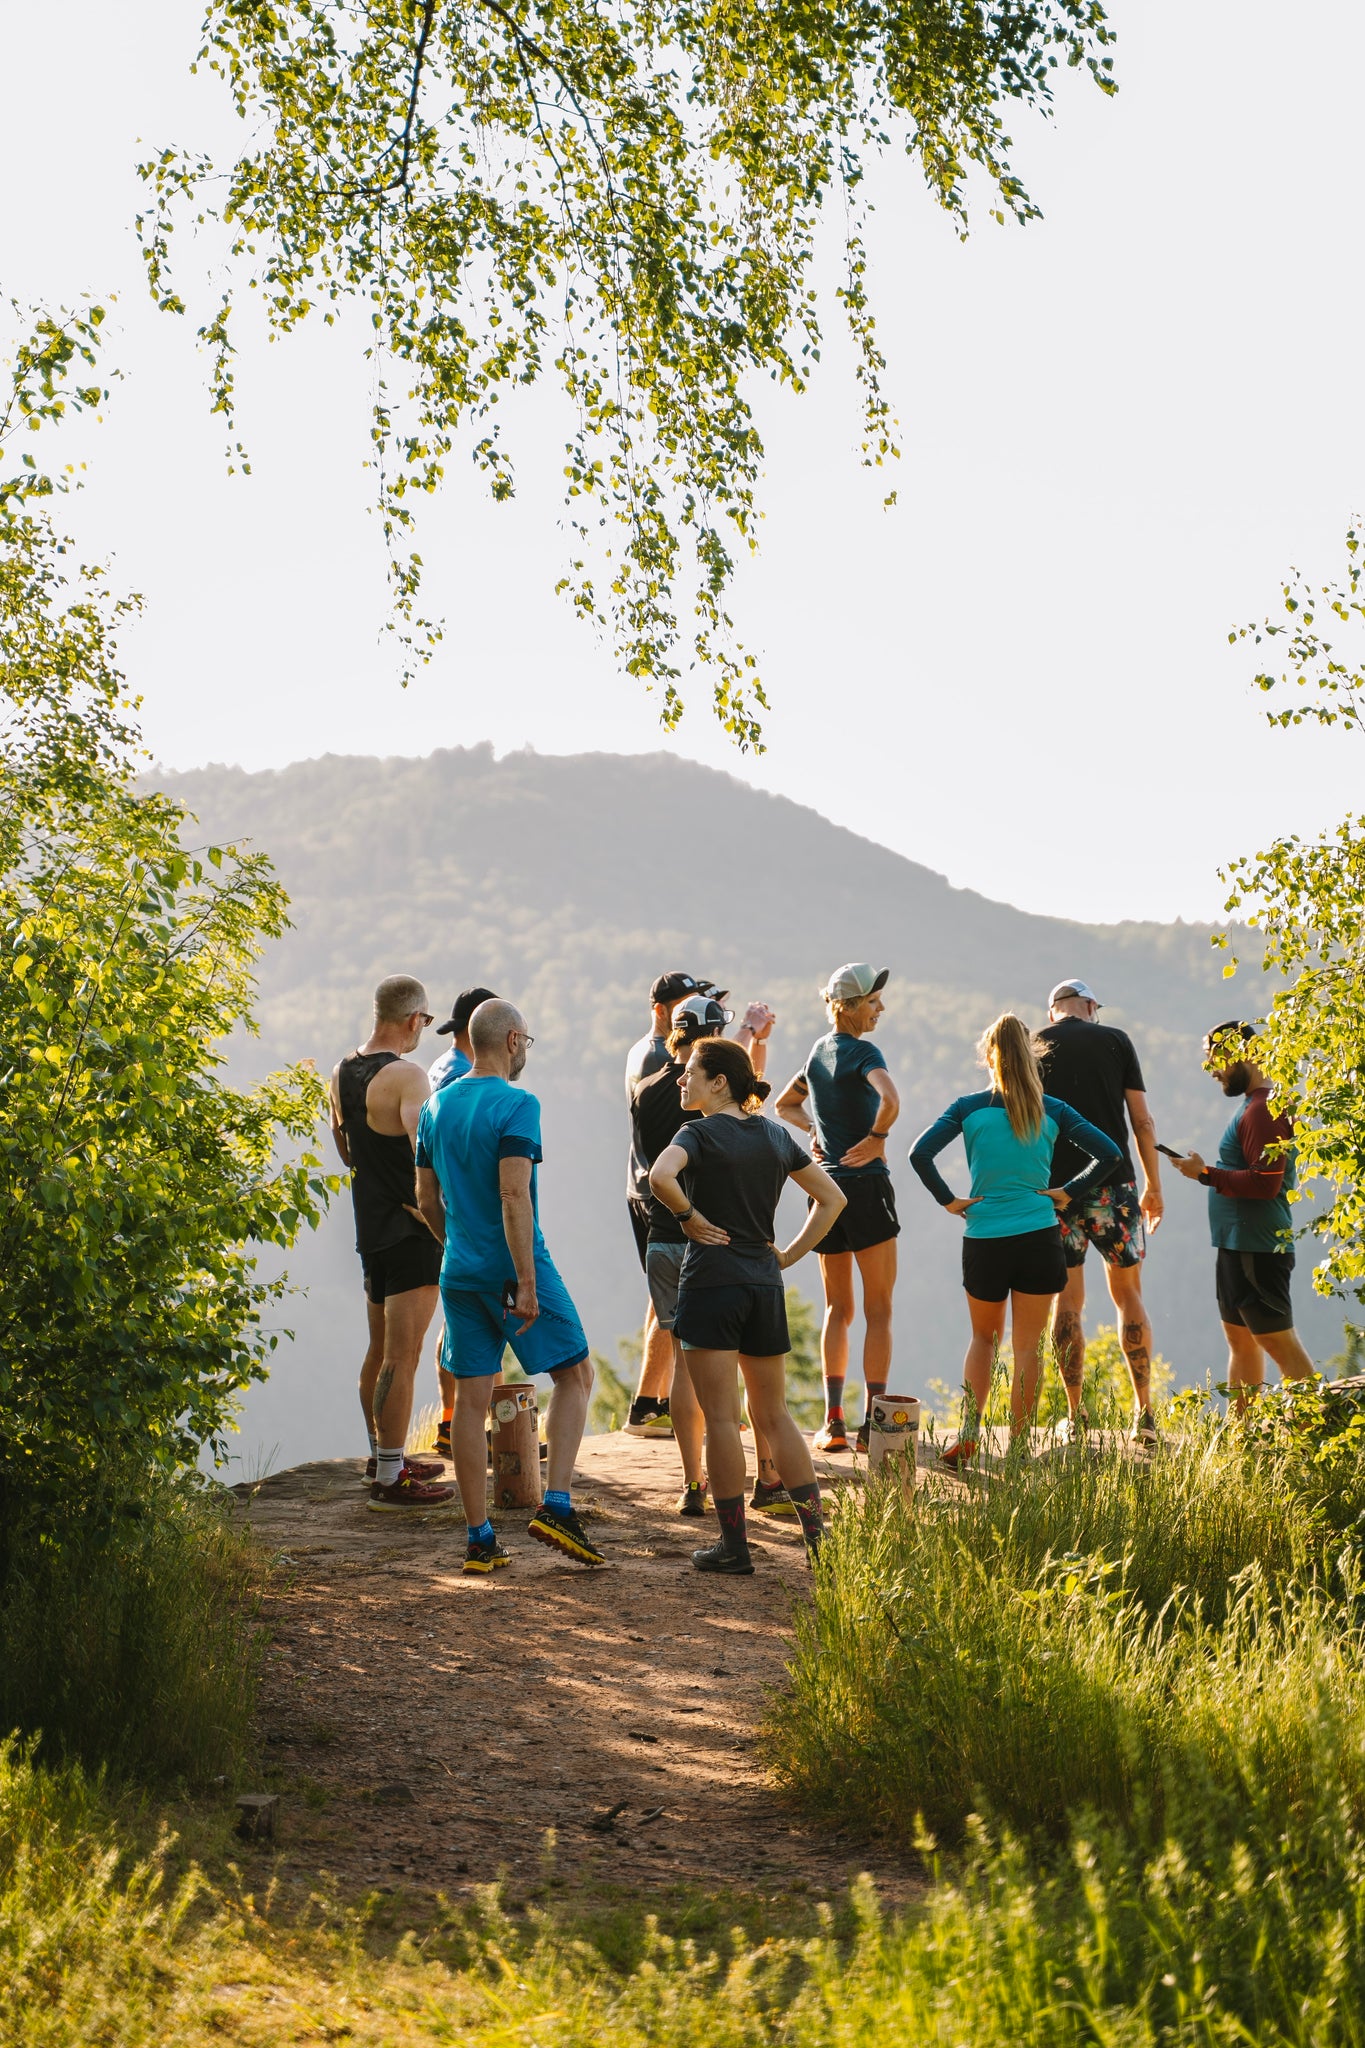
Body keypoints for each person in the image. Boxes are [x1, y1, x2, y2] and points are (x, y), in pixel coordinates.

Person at [415, 998, 604, 1572]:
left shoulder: (435, 1106)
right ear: (515, 1041)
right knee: (576, 1375)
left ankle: (479, 1538)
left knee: (470, 1405)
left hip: (458, 1269)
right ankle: (557, 1505)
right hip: (514, 1265)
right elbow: (513, 1194)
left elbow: (426, 1198)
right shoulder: (519, 1104)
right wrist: (525, 1279)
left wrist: (457, 1247)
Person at [649, 1037, 847, 1575]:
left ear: (720, 1082)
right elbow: (833, 1199)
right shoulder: (776, 1135)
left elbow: (658, 1177)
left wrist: (688, 1217)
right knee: (774, 1414)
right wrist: (787, 1256)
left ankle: (734, 1547)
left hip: (711, 1282)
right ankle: (817, 1539)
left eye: (690, 1071)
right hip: (764, 1284)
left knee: (721, 1419)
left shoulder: (696, 1132)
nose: (681, 1079)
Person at [909, 1014, 1123, 1467]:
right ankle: (1021, 1447)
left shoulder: (967, 1107)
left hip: (984, 1236)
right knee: (1028, 1347)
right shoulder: (1054, 1109)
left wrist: (949, 1200)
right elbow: (1110, 1153)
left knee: (983, 1340)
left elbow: (919, 1153)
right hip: (1039, 1235)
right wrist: (1069, 1191)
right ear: (1030, 1056)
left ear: (989, 1056)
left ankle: (969, 1432)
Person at [631, 994, 793, 1520]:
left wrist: (679, 1217)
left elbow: (655, 1173)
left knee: (685, 1362)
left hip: (664, 1236)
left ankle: (693, 1483)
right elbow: (734, 1100)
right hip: (727, 1247)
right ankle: (769, 1477)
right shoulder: (714, 1109)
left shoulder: (647, 1089)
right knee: (759, 1391)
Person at [330, 975, 454, 1511]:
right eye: (426, 1022)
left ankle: (381, 1458)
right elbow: (422, 1154)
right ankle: (390, 1479)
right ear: (412, 1020)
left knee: (380, 1349)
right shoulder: (408, 1075)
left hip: (371, 1227)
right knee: (403, 1356)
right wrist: (439, 1218)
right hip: (411, 1231)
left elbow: (345, 1147)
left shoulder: (343, 1070)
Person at [775, 964, 900, 1455]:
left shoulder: (817, 1051)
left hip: (825, 1190)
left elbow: (784, 1105)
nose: (880, 1008)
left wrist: (814, 1132)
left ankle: (833, 1423)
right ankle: (874, 1423)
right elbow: (891, 1099)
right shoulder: (864, 1051)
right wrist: (876, 1138)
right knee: (880, 1309)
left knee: (837, 1308)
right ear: (848, 1006)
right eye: (873, 1001)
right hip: (866, 1188)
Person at [1034, 979, 1164, 1446]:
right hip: (1115, 1186)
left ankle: (1074, 1416)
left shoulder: (1034, 1044)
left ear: (1053, 1013)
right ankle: (1144, 1415)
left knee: (1067, 1301)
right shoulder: (1115, 1040)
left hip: (1056, 1191)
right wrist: (1153, 1185)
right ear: (1091, 1007)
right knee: (1128, 1294)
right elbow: (1142, 1120)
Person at [1173, 1021, 1315, 1407]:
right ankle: (1244, 1440)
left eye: (1215, 1058)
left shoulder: (1263, 1109)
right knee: (1241, 1339)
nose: (1212, 1069)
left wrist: (1205, 1173)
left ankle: (1316, 1432)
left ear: (1242, 1053)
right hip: (1236, 1243)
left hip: (1258, 1244)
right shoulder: (1253, 1106)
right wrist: (1205, 1173)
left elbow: (1266, 1183)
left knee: (1276, 1340)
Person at [623, 971, 701, 1437]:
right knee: (673, 1300)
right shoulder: (662, 1060)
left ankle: (653, 1402)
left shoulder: (642, 1052)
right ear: (661, 1010)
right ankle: (652, 1404)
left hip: (643, 1185)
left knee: (663, 1298)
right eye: (684, 1006)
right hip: (662, 1192)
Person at [426, 986, 498, 1454]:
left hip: (445, 1208)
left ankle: (454, 1422)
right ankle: (481, 1428)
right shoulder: (460, 1078)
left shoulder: (441, 1066)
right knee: (485, 1324)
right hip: (466, 1215)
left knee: (455, 1324)